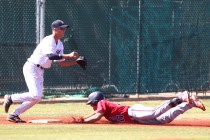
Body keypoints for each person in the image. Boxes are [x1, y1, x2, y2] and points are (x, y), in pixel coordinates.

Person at [3, 20, 79, 123]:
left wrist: (76, 62)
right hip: (32, 67)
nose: (64, 30)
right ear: (54, 29)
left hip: (40, 70)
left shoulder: (60, 44)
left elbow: (61, 62)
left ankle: (14, 114)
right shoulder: (48, 40)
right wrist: (69, 55)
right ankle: (11, 98)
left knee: (37, 97)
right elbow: (51, 56)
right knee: (35, 95)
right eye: (62, 28)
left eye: (64, 28)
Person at [72, 91, 206, 124]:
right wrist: (83, 118)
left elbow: (97, 115)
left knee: (155, 112)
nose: (92, 107)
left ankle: (181, 97)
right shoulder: (102, 108)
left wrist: (84, 121)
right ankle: (190, 104)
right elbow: (96, 114)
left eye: (92, 103)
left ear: (96, 100)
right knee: (164, 119)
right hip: (136, 119)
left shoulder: (102, 103)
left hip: (133, 112)